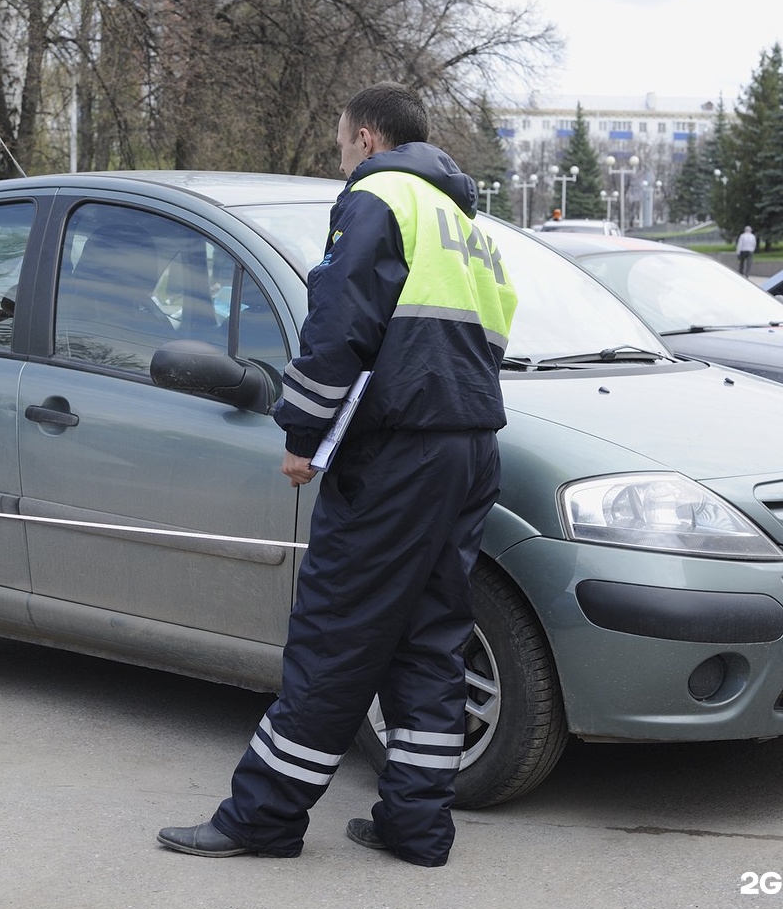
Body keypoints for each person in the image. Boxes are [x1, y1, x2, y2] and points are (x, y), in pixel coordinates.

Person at [156, 82, 516, 866]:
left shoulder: (379, 197)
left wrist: (302, 430)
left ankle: (264, 816)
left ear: (368, 140)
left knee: (336, 632)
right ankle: (417, 826)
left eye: (341, 142)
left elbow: (339, 320)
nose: (340, 157)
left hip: (397, 451)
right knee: (431, 635)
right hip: (470, 447)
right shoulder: (464, 224)